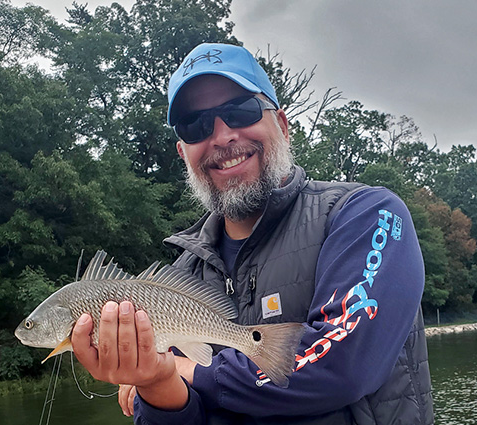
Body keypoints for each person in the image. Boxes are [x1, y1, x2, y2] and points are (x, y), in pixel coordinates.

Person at [72, 42, 434, 424]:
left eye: (239, 110)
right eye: (195, 126)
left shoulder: (365, 215)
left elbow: (342, 366)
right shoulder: (179, 277)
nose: (222, 136)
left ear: (281, 124)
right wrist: (158, 384)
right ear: (183, 152)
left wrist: (192, 371)